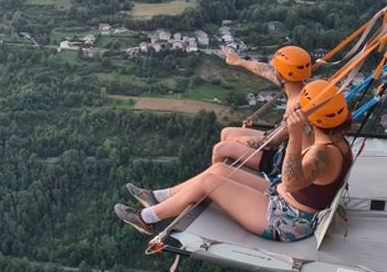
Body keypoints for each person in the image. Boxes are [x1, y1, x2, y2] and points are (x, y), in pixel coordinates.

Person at [116, 80, 352, 243]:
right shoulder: (337, 143)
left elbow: (291, 182)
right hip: (283, 199)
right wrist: (300, 126)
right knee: (219, 169)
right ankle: (158, 197)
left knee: (210, 183)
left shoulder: (321, 155)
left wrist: (296, 133)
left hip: (286, 221)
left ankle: (146, 219)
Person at [212, 45, 313, 176]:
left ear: (279, 74)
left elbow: (270, 143)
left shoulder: (297, 108)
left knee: (220, 149)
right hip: (285, 144)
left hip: (283, 160)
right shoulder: (303, 88)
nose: (273, 71)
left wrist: (239, 140)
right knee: (227, 132)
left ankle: (218, 180)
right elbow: (265, 70)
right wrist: (238, 61)